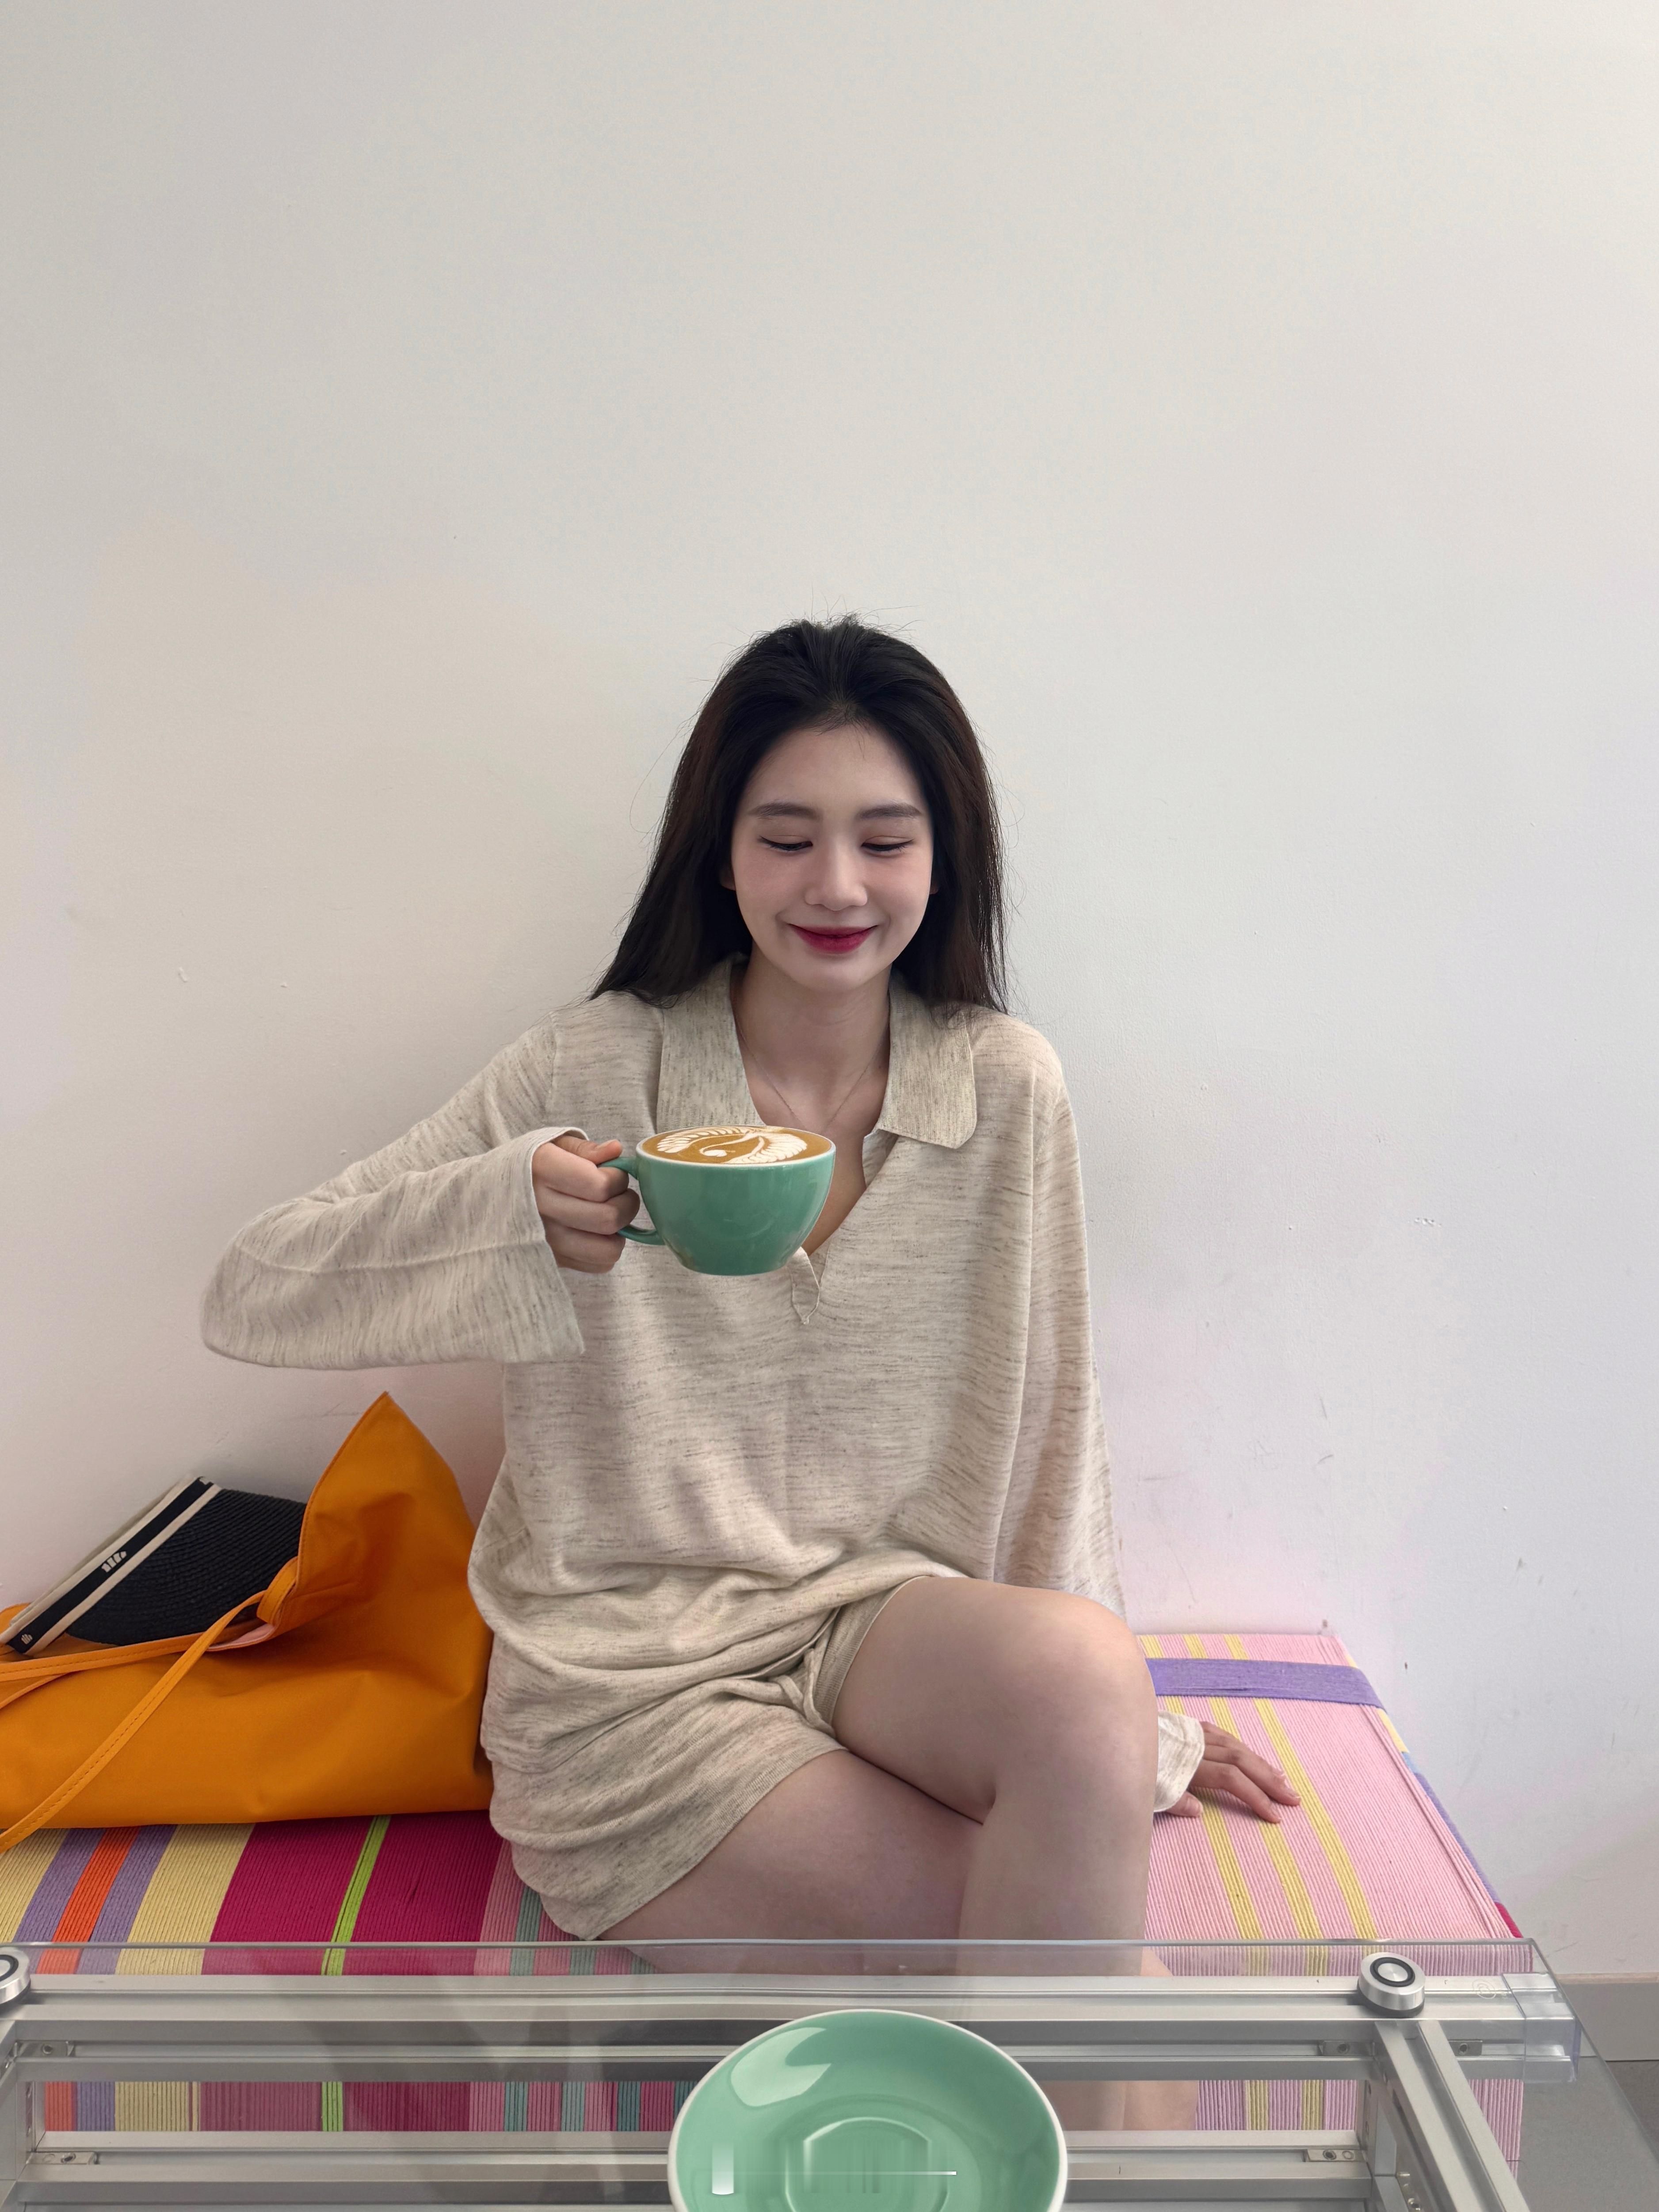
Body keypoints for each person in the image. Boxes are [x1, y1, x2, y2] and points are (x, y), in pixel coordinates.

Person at [202, 618, 1295, 2128]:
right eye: (785, 838)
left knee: (1079, 1686)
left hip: (878, 1622)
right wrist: (505, 1211)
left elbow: (1051, 1426)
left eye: (883, 840)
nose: (835, 885)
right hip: (632, 1680)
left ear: (944, 859)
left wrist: (1128, 1737)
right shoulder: (592, 1069)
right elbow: (255, 1289)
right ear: (718, 857)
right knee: (1099, 1992)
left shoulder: (1003, 1084)